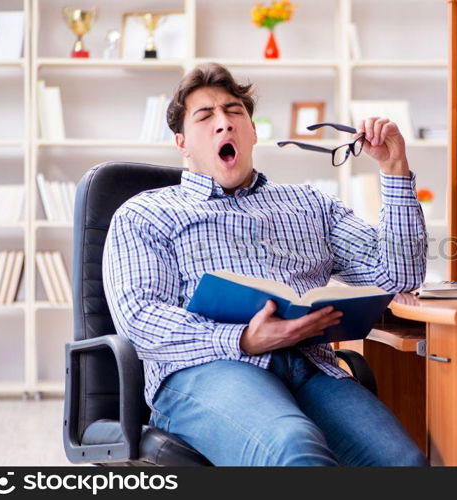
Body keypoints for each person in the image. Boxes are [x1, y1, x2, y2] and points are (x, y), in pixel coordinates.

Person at [102, 63, 428, 466]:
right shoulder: (146, 213)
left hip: (309, 365)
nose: (223, 123)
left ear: (253, 131)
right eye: (206, 116)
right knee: (293, 449)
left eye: (234, 112)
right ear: (182, 142)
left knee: (405, 463)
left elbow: (398, 276)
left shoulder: (310, 204)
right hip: (208, 370)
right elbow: (140, 318)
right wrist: (242, 339)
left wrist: (393, 169)